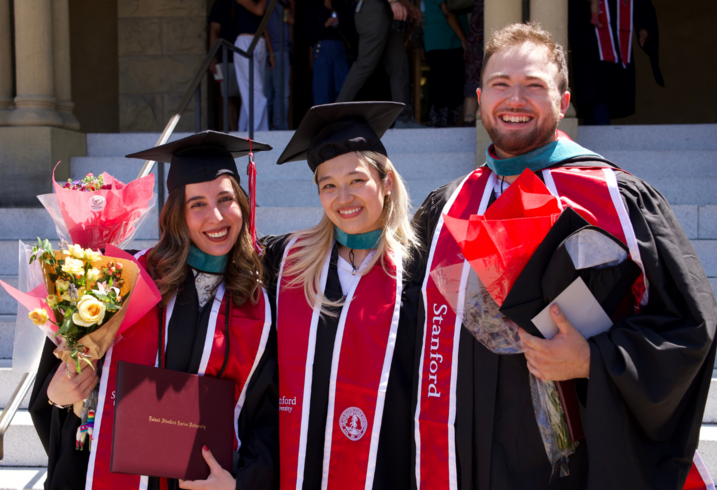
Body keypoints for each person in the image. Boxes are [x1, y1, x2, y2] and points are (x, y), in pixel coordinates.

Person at [407, 23, 716, 489]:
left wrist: (594, 359)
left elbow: (689, 327)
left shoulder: (615, 197)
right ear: (479, 97)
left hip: (570, 465)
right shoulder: (447, 204)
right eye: (500, 85)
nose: (514, 100)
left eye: (534, 86)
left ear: (563, 102)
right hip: (455, 456)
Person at [29, 131, 280, 490]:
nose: (216, 216)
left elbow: (268, 418)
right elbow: (66, 388)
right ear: (177, 212)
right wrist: (59, 398)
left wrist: (241, 483)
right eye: (197, 204)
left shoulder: (260, 301)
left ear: (244, 203)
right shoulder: (122, 281)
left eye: (226, 199)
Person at [265, 101, 419, 489]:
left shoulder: (417, 269)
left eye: (356, 180)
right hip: (299, 462)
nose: (343, 197)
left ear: (385, 182)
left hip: (386, 464)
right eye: (328, 186)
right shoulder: (286, 262)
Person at [569, 0, 663, 124]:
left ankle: (599, 125)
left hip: (617, 41)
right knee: (593, 88)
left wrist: (643, 25)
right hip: (589, 38)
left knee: (606, 90)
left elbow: (641, 4)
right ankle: (600, 125)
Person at [335, 0, 423, 128]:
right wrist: (393, 2)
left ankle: (404, 119)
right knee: (365, 64)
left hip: (387, 11)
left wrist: (406, 4)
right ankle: (335, 118)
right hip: (374, 8)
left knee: (399, 65)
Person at [422, 0, 468, 127]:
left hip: (439, 41)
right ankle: (440, 124)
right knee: (447, 88)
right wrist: (464, 39)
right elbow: (447, 12)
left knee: (445, 86)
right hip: (444, 41)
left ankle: (443, 123)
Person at [234, 0, 274, 132]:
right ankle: (259, 133)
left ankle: (243, 131)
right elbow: (259, 10)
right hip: (245, 43)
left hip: (260, 43)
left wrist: (271, 53)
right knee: (255, 90)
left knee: (251, 92)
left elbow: (263, 25)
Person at [305, 0, 353, 106]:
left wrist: (340, 23)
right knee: (322, 91)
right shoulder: (314, 10)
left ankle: (341, 121)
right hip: (322, 55)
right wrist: (326, 24)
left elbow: (351, 32)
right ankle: (323, 122)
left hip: (341, 55)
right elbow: (310, 36)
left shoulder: (342, 10)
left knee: (342, 91)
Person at [209, 0, 242, 132]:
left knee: (247, 97)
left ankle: (244, 129)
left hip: (247, 56)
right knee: (229, 98)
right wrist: (212, 57)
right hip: (227, 57)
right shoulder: (220, 4)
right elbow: (214, 31)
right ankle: (234, 132)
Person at [264, 0, 294, 130]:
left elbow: (289, 20)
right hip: (277, 50)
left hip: (271, 50)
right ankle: (279, 127)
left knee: (269, 93)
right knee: (281, 93)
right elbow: (291, 20)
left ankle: (266, 127)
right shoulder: (277, 3)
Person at [462, 0, 483, 126]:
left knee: (473, 74)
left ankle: (469, 119)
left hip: (477, 32)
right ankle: (469, 119)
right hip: (478, 32)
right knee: (474, 74)